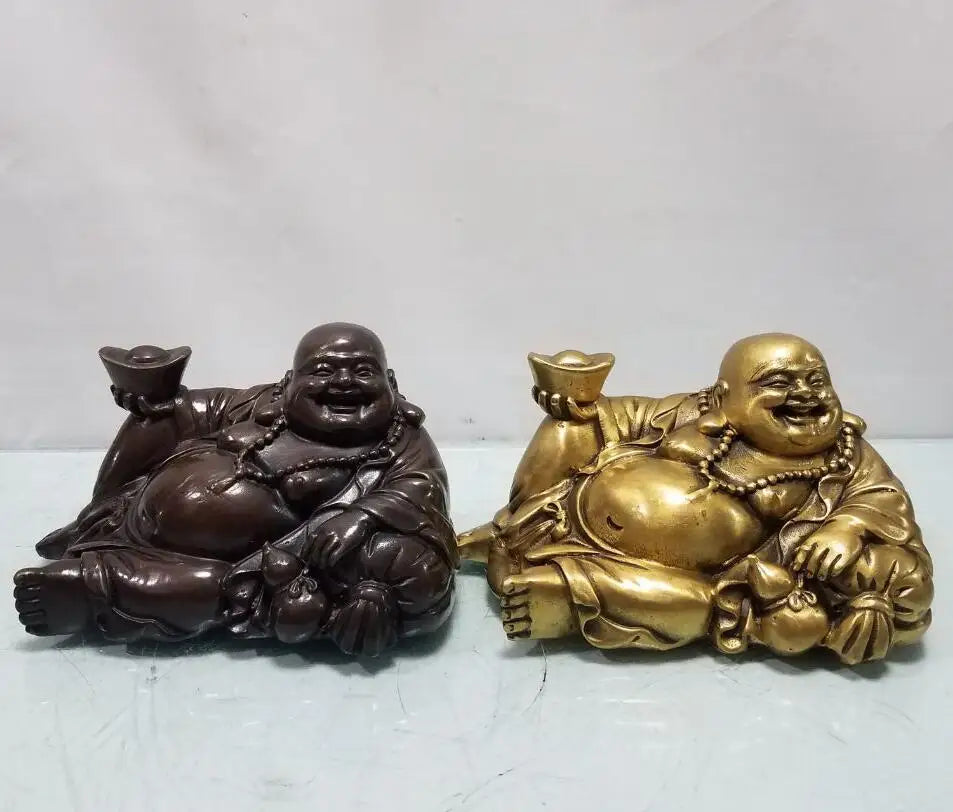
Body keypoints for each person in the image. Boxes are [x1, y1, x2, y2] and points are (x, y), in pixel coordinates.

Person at [459, 333, 932, 665]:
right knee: (569, 427)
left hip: (662, 575)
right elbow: (622, 415)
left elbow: (883, 498)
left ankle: (565, 596)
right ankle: (513, 529)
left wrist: (847, 527)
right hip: (569, 507)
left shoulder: (845, 453)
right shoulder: (694, 411)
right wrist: (576, 402)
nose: (804, 393)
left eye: (817, 380)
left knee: (702, 605)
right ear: (725, 396)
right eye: (778, 382)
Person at [14, 323, 458, 657]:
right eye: (322, 371)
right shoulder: (264, 403)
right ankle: (90, 524)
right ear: (290, 381)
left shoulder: (401, 440)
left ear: (391, 384)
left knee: (223, 590)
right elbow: (201, 409)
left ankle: (96, 589)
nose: (343, 383)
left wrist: (361, 515)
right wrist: (156, 398)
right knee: (157, 418)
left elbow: (423, 489)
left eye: (363, 372)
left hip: (241, 565)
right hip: (135, 507)